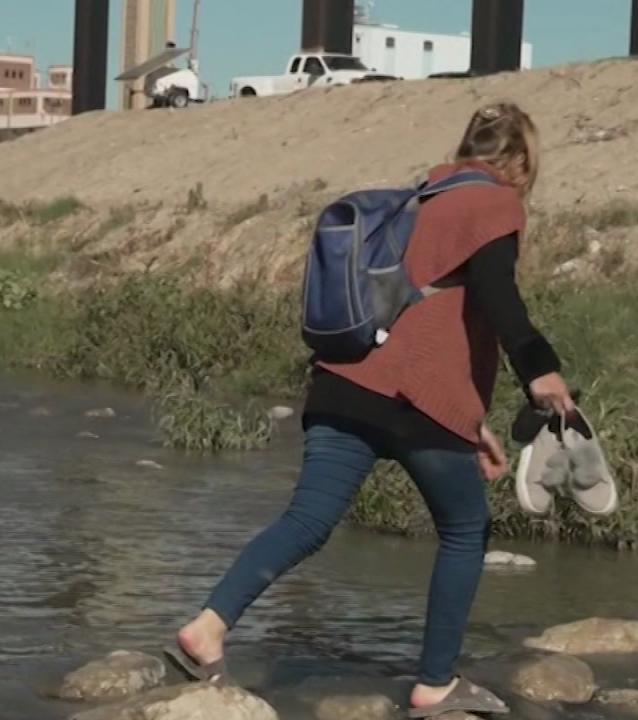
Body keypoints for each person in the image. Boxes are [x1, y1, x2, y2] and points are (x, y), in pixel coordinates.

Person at [166, 101, 575, 718]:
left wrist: (474, 424)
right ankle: (436, 683)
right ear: (518, 161)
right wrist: (538, 368)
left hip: (345, 383)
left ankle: (208, 626)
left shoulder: (419, 199)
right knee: (465, 531)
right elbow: (495, 298)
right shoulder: (493, 203)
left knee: (306, 521)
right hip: (413, 401)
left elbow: (423, 317)